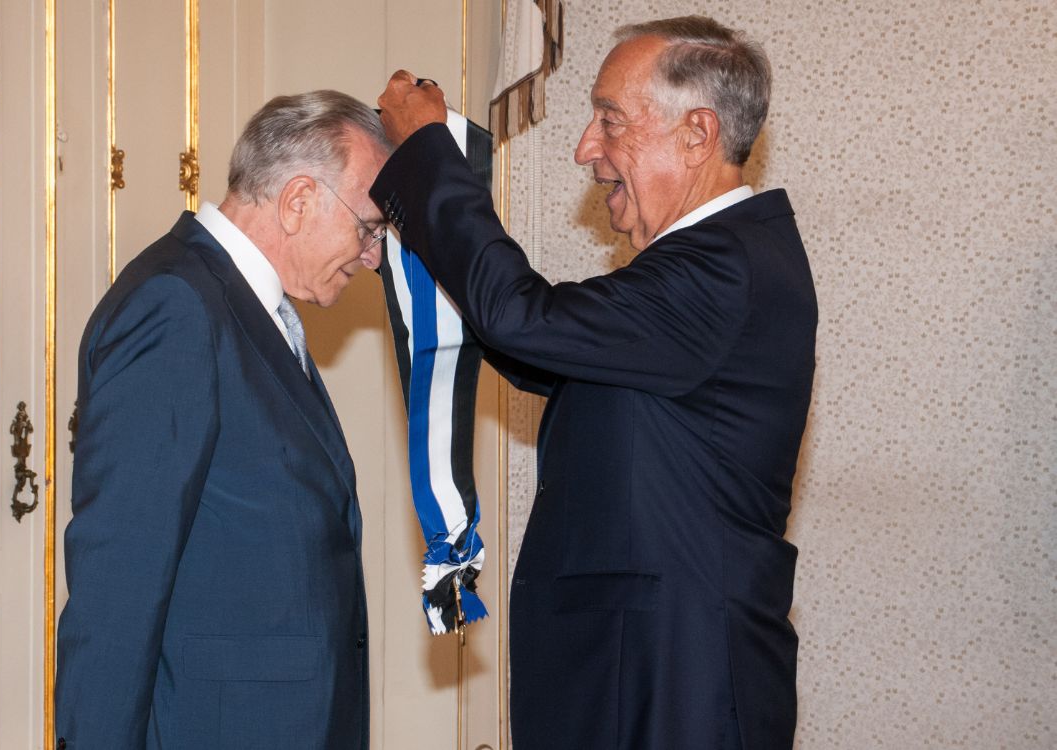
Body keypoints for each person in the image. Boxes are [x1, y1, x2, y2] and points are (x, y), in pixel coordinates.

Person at [372, 16, 816, 750]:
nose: (586, 149)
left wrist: (427, 154)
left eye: (609, 120)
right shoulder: (720, 259)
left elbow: (522, 318)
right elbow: (541, 349)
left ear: (696, 133)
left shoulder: (724, 268)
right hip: (643, 668)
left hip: (674, 681)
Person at [55, 90, 390, 750]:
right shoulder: (176, 306)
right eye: (368, 226)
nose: (373, 255)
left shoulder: (251, 306)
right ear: (298, 201)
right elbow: (119, 578)